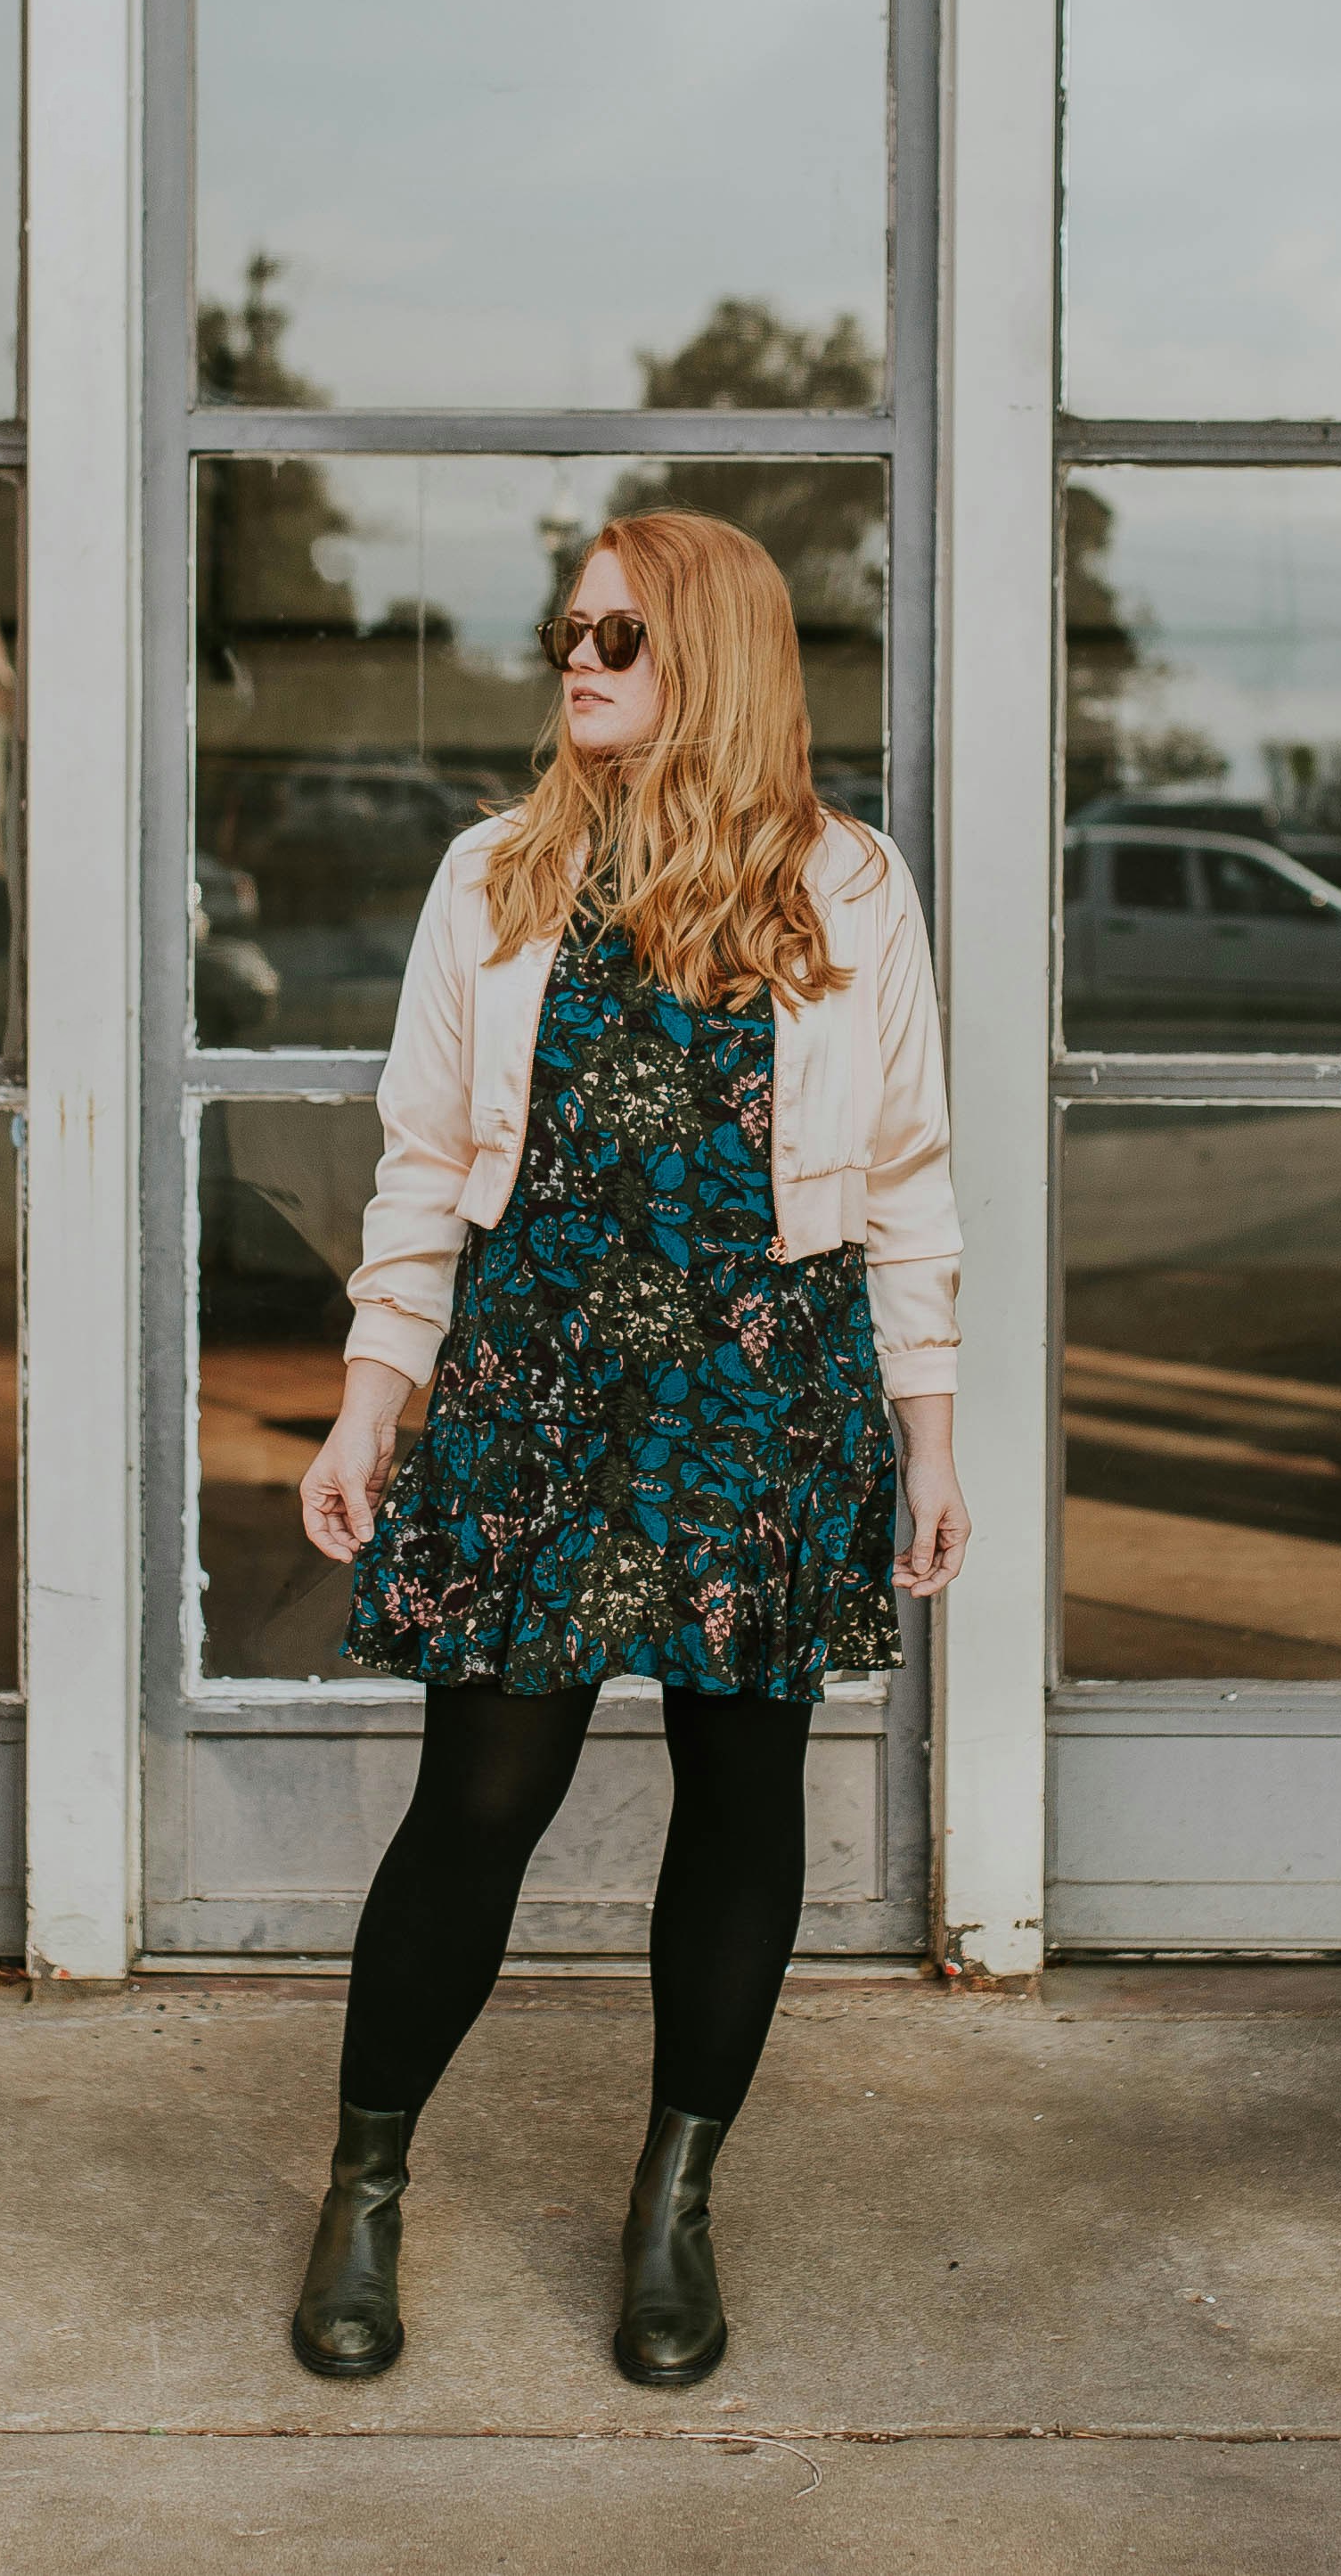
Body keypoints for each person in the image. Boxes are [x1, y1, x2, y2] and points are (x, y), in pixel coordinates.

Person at [282, 506, 969, 2390]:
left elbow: (906, 1184)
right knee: (481, 1802)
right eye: (569, 631)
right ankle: (365, 2183)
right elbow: (424, 1165)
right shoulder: (494, 877)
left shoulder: (851, 890)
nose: (577, 659)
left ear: (718, 660)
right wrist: (370, 1399)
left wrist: (930, 1436)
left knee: (741, 1805)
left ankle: (674, 2204)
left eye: (620, 635)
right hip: (533, 1393)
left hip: (764, 1391)